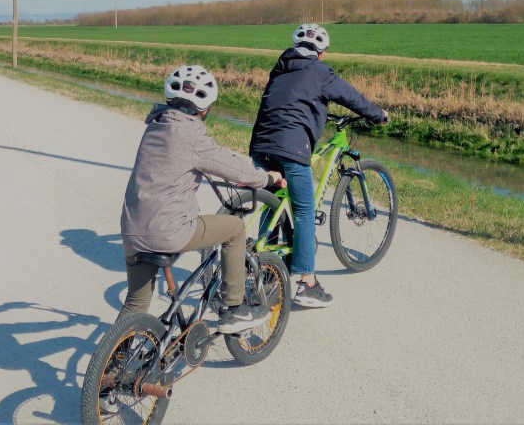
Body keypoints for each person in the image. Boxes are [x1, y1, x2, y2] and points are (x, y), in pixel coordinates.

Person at [120, 64, 283, 333]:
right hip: (169, 231)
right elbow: (231, 166)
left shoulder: (155, 125)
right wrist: (267, 179)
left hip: (132, 229)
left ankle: (114, 366)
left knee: (136, 302)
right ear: (205, 109)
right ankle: (233, 309)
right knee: (235, 229)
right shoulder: (191, 134)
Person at [249, 24, 388, 308]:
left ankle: (265, 267)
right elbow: (352, 97)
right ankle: (307, 283)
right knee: (303, 211)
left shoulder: (280, 68)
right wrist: (378, 114)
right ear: (321, 53)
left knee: (274, 201)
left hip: (261, 145)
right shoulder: (321, 72)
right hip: (291, 146)